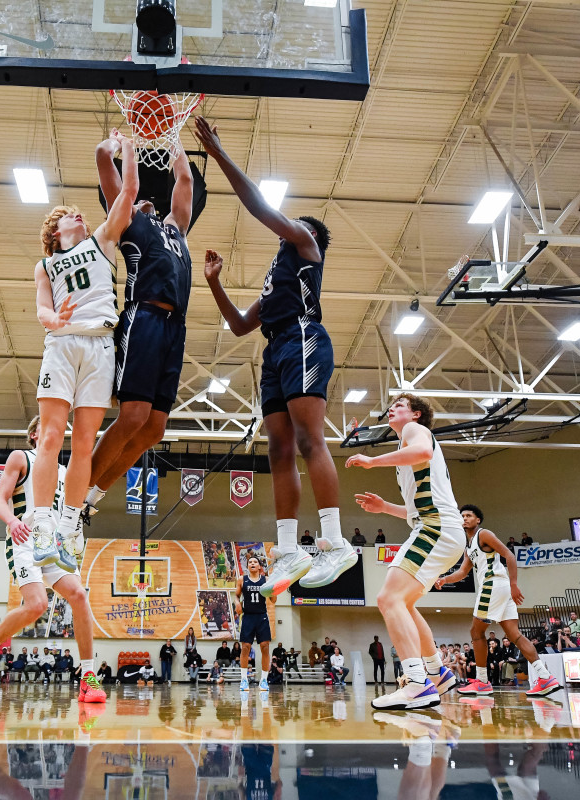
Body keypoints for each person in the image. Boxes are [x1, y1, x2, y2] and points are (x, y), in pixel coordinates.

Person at [194, 115, 354, 596]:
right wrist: (215, 283)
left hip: (305, 337)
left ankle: (334, 542)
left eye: (293, 224)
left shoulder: (306, 246)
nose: (287, 228)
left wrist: (220, 155)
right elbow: (242, 325)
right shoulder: (276, 281)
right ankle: (289, 549)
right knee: (278, 450)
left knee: (309, 441)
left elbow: (263, 210)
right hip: (275, 347)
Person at [28, 132, 138, 574]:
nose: (79, 212)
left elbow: (128, 193)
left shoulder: (101, 242)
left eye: (79, 211)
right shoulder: (46, 264)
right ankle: (41, 524)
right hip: (61, 343)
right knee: (51, 437)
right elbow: (41, 305)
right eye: (69, 213)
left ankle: (70, 527)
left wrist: (126, 149)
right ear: (55, 232)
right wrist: (50, 319)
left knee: (84, 446)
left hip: (99, 344)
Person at [83, 130, 195, 517]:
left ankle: (91, 500)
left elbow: (184, 180)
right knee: (132, 416)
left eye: (150, 199)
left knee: (153, 430)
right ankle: (74, 496)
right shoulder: (129, 221)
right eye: (140, 198)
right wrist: (120, 142)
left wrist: (173, 134)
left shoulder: (176, 230)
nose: (148, 199)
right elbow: (105, 167)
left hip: (174, 327)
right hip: (143, 316)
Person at [0, 417, 106, 703]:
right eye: (47, 422)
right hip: (25, 539)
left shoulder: (67, 471)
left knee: (79, 596)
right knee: (37, 605)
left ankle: (88, 678)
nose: (56, 426)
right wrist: (11, 522)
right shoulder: (22, 457)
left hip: (54, 542)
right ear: (33, 434)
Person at [348, 393, 466, 710]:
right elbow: (418, 509)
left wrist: (372, 461)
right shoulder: (408, 446)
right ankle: (436, 673)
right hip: (439, 528)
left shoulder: (416, 433)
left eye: (400, 405)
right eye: (391, 406)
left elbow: (423, 449)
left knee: (388, 599)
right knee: (406, 604)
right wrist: (386, 508)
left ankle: (416, 683)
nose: (392, 409)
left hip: (436, 528)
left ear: (415, 415)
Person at [436, 504, 560, 697]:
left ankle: (483, 682)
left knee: (476, 632)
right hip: (498, 587)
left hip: (493, 585)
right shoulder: (468, 546)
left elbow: (509, 555)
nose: (465, 518)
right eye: (462, 516)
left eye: (469, 515)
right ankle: (545, 678)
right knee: (514, 635)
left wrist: (514, 584)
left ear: (478, 520)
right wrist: (445, 579)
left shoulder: (484, 534)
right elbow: (462, 572)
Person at [235, 555, 276, 694]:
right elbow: (236, 595)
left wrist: (275, 589)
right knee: (245, 647)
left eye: (255, 562)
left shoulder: (266, 580)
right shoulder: (242, 579)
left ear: (259, 566)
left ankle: (264, 680)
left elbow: (273, 600)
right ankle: (243, 679)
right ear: (248, 566)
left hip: (261, 616)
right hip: (248, 616)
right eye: (250, 562)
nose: (252, 563)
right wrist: (236, 603)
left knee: (265, 647)